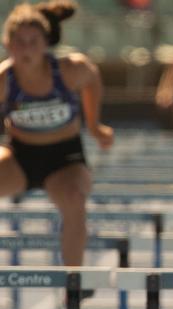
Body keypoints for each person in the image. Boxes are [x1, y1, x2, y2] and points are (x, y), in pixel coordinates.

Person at [0, 0, 113, 267]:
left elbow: (92, 77)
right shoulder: (4, 79)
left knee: (75, 200)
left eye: (33, 41)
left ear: (46, 42)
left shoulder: (68, 69)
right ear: (7, 44)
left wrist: (95, 125)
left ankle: (73, 280)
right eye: (20, 41)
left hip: (66, 159)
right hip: (20, 156)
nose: (26, 49)